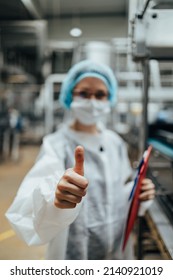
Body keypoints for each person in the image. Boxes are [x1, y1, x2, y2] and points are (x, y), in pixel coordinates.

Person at [6, 60, 155, 260]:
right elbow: (26, 206)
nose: (92, 101)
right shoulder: (56, 145)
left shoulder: (115, 143)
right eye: (84, 93)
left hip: (116, 255)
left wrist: (139, 193)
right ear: (70, 95)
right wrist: (55, 200)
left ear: (109, 99)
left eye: (100, 95)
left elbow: (117, 195)